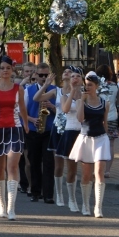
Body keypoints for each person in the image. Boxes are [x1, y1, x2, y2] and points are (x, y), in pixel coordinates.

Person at [0, 56, 29, 220]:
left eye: (8, 68)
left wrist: (25, 124)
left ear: (12, 71)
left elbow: (22, 108)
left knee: (12, 166)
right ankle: (1, 205)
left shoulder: (19, 89)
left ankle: (11, 207)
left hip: (15, 129)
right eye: (2, 68)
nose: (5, 71)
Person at [69, 72, 111, 218]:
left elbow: (105, 124)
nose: (87, 87)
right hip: (86, 138)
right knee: (86, 174)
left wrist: (107, 138)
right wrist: (81, 100)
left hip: (100, 138)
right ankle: (85, 204)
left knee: (99, 172)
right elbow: (80, 119)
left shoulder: (105, 103)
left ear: (96, 86)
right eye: (86, 85)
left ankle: (98, 207)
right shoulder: (82, 100)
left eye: (90, 85)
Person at [33, 67, 73, 206]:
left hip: (73, 128)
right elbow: (36, 98)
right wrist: (45, 85)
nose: (66, 73)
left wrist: (53, 107)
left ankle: (71, 197)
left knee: (72, 165)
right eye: (64, 72)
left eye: (70, 72)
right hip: (59, 129)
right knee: (58, 164)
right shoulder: (56, 91)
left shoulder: (80, 93)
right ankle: (59, 195)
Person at [25, 63, 56, 203]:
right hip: (33, 130)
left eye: (46, 75)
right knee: (34, 162)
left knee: (49, 162)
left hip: (49, 129)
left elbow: (62, 111)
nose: (44, 78)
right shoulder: (28, 90)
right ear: (36, 75)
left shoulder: (55, 90)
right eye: (41, 75)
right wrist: (32, 119)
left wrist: (52, 106)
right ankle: (36, 192)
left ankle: (48, 194)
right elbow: (21, 111)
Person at [55, 68, 84, 212]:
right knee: (71, 170)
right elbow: (65, 110)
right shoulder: (64, 95)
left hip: (84, 133)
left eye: (78, 76)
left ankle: (85, 201)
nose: (75, 78)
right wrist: (72, 91)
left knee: (86, 170)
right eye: (73, 76)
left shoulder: (86, 95)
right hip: (70, 132)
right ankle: (71, 200)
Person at [96, 65, 119, 178]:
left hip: (99, 118)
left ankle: (98, 169)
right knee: (111, 145)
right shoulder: (114, 85)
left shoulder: (97, 86)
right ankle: (107, 170)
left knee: (98, 144)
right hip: (113, 117)